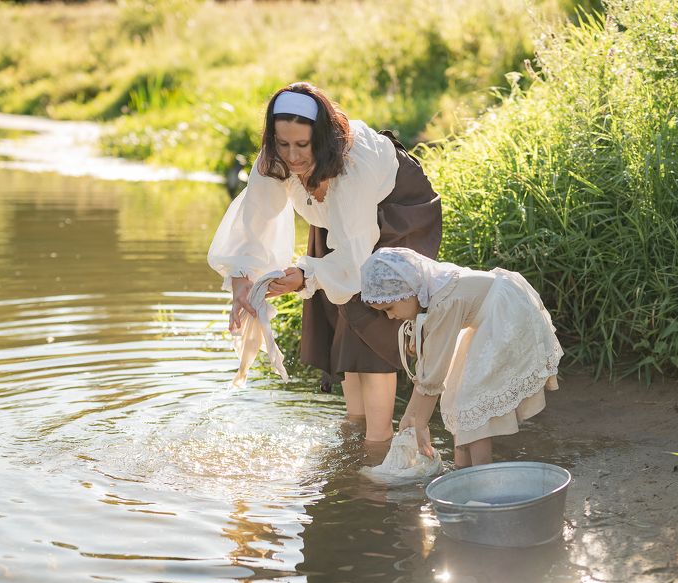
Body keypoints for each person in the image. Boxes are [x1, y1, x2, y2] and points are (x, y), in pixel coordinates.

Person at [208, 83, 441, 447]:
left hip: (396, 213)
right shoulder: (275, 158)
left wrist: (306, 275)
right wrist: (242, 279)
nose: (293, 156)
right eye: (283, 144)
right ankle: (355, 423)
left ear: (323, 138)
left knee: (371, 312)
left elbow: (358, 260)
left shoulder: (352, 165)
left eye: (302, 145)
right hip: (338, 218)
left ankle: (378, 440)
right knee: (342, 315)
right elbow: (253, 221)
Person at [359, 247, 563, 468]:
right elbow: (429, 367)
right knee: (457, 391)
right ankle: (461, 469)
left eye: (390, 307)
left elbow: (435, 374)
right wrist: (410, 415)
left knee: (471, 397)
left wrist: (421, 425)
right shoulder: (433, 288)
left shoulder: (444, 302)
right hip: (489, 316)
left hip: (506, 315)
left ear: (409, 289)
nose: (390, 316)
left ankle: (481, 473)